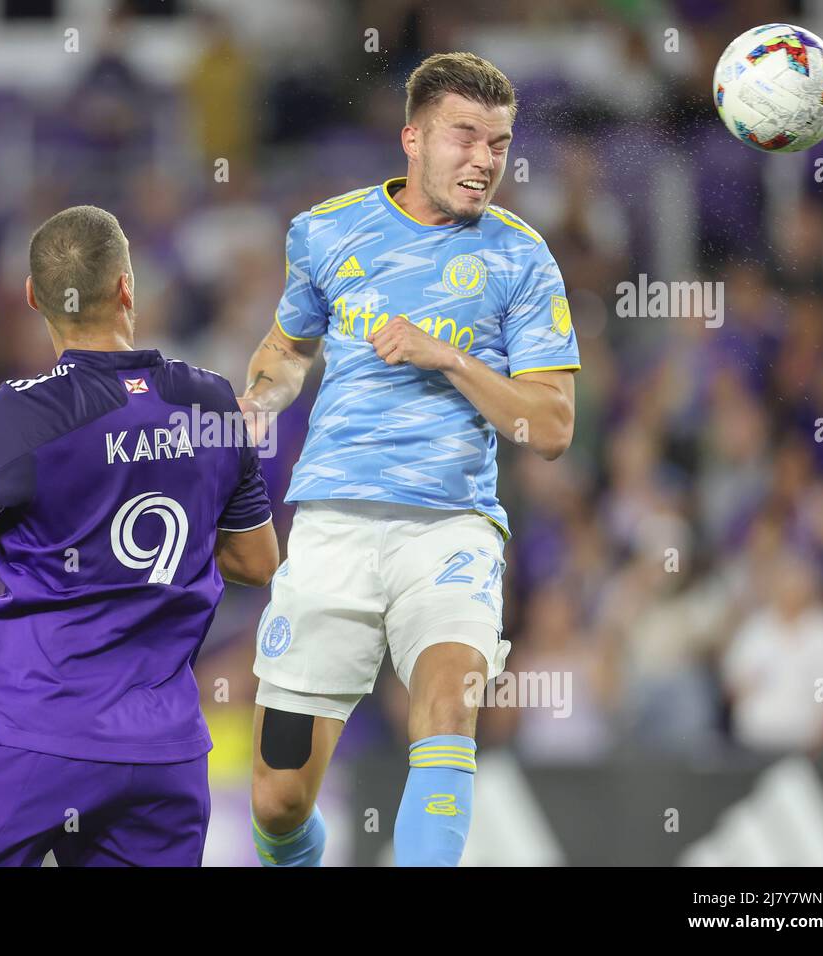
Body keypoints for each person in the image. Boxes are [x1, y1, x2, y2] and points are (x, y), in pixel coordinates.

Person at [237, 52, 580, 866]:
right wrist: (252, 404)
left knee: (450, 706)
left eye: (498, 143)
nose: (484, 160)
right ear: (412, 138)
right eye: (465, 138)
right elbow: (286, 354)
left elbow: (553, 426)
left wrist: (451, 359)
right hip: (332, 528)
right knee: (279, 801)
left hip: (453, 530)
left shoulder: (521, 258)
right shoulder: (324, 232)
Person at [0, 205, 278, 866]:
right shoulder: (211, 402)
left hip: (38, 730)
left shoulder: (25, 413)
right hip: (164, 755)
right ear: (128, 287)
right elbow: (258, 561)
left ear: (33, 297)